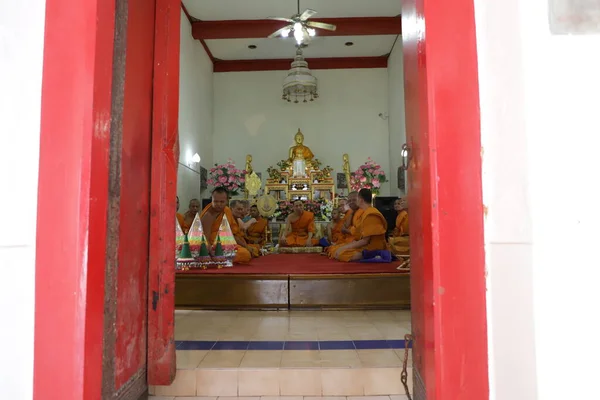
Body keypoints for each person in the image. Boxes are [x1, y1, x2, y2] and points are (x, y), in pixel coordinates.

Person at [332, 188, 388, 262]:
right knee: (338, 251)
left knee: (341, 253)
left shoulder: (371, 214)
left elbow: (365, 241)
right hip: (364, 246)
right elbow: (358, 233)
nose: (354, 202)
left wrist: (344, 248)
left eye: (356, 199)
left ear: (361, 200)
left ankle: (375, 255)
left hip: (373, 248)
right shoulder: (365, 213)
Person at [200, 188, 252, 264]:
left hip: (227, 244)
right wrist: (213, 254)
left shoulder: (227, 210)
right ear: (211, 200)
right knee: (245, 254)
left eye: (222, 202)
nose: (218, 204)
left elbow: (232, 232)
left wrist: (245, 246)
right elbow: (205, 240)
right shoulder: (209, 215)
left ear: (227, 201)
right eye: (215, 201)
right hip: (214, 248)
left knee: (249, 251)